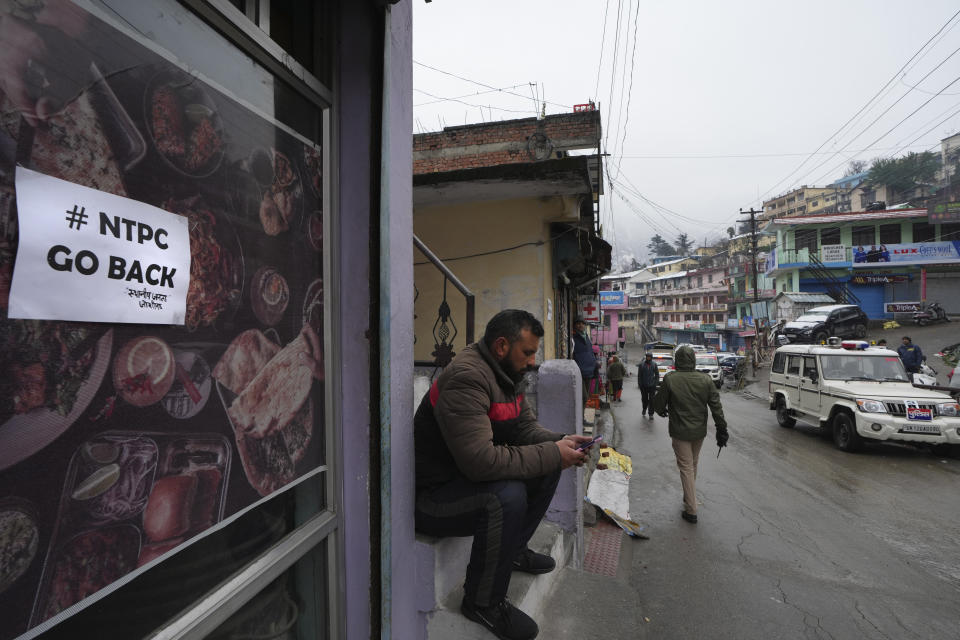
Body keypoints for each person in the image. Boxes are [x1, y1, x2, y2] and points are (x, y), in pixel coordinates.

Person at [414, 309, 593, 640]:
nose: (531, 361)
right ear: (501, 346)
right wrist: (552, 453)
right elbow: (480, 461)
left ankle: (512, 551)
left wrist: (560, 443)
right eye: (527, 352)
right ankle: (483, 602)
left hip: (462, 481)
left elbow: (523, 426)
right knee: (506, 496)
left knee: (549, 464)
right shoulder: (468, 378)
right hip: (433, 497)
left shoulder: (506, 374)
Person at [652, 346, 728, 524]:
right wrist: (721, 429)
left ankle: (691, 509)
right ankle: (689, 498)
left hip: (680, 432)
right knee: (692, 464)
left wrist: (662, 409)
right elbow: (716, 407)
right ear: (693, 360)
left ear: (677, 360)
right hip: (699, 432)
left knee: (686, 467)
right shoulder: (705, 380)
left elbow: (658, 405)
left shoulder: (671, 379)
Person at [571, 317, 596, 402]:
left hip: (589, 371)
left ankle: (582, 415)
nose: (580, 325)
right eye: (578, 323)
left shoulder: (587, 337)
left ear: (585, 325)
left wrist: (594, 364)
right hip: (579, 372)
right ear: (574, 326)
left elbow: (590, 352)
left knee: (586, 398)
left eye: (582, 323)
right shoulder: (573, 338)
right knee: (583, 397)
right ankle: (579, 415)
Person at [637, 352, 659, 418]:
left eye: (649, 357)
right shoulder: (642, 365)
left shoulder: (654, 364)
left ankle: (651, 414)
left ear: (651, 357)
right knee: (644, 399)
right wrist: (640, 384)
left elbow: (657, 375)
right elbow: (639, 376)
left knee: (652, 400)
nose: (648, 358)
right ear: (646, 357)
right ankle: (644, 409)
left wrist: (655, 383)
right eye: (647, 357)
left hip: (652, 386)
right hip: (644, 386)